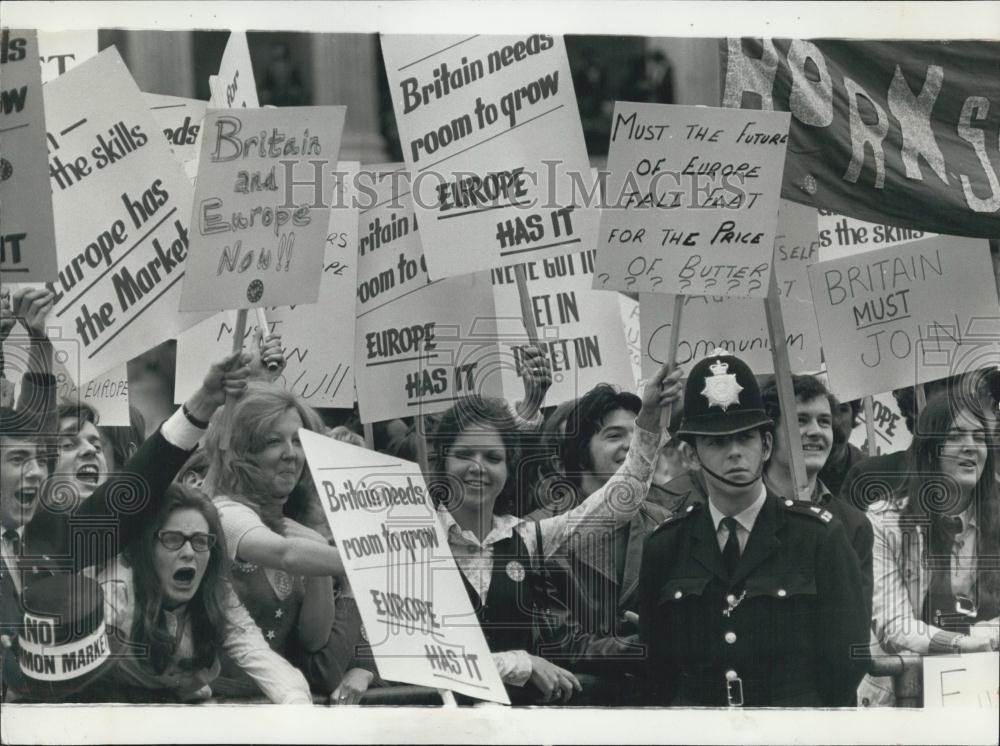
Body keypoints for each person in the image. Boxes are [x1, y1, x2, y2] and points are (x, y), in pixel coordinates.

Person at [426, 361, 680, 704]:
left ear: (508, 466)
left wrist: (648, 416)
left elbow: (621, 501)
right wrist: (520, 663)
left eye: (492, 457)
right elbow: (415, 656)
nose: (477, 467)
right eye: (463, 454)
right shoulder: (414, 537)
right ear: (442, 462)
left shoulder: (527, 539)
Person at [638, 350, 869, 707]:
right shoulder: (666, 546)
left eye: (745, 438)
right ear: (692, 456)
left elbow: (845, 662)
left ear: (765, 445)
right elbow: (658, 669)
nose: (734, 453)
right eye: (716, 441)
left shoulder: (818, 537)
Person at [200, 386, 369, 701]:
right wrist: (379, 559)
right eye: (273, 441)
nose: (291, 453)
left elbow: (313, 640)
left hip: (274, 703)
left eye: (298, 441)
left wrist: (319, 561)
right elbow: (286, 555)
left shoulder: (299, 526)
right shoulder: (225, 512)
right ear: (241, 451)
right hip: (217, 706)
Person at [89, 484, 312, 703]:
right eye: (173, 539)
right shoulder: (116, 590)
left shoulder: (216, 591)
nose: (188, 553)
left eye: (199, 541)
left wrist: (295, 699)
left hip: (176, 700)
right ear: (147, 547)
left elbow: (254, 650)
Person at [860, 392, 1000, 706]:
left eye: (979, 437)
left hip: (988, 693)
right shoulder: (885, 522)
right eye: (955, 436)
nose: (970, 446)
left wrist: (981, 637)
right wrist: (966, 642)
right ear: (929, 450)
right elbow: (895, 626)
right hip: (905, 699)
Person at [760, 375, 874, 615]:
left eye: (824, 422)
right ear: (767, 435)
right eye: (800, 420)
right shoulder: (738, 513)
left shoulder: (853, 526)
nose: (815, 432)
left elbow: (854, 627)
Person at [818, 398, 867, 496]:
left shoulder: (868, 472)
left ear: (853, 417)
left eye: (842, 409)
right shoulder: (788, 465)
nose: (835, 421)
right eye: (825, 408)